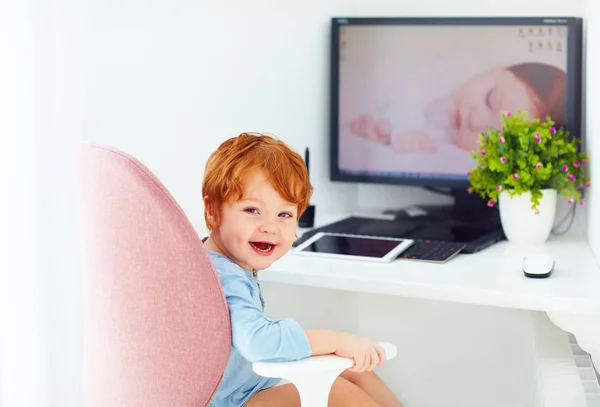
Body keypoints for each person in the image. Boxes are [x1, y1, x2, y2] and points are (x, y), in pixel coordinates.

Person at [203, 133, 404, 407]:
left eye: (284, 215)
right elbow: (259, 342)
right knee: (341, 394)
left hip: (246, 387)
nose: (270, 227)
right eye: (252, 210)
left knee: (353, 371)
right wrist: (337, 340)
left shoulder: (214, 261)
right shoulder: (226, 278)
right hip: (236, 401)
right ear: (213, 210)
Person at [349, 62, 567, 153]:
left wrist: (392, 141)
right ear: (496, 68)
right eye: (490, 99)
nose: (476, 120)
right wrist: (394, 127)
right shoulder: (439, 73)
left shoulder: (446, 148)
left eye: (493, 136)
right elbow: (402, 91)